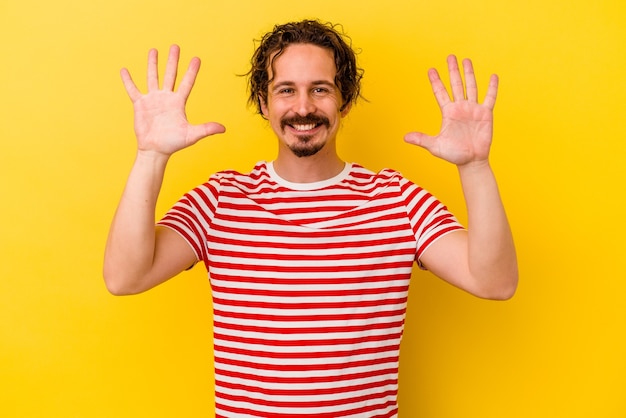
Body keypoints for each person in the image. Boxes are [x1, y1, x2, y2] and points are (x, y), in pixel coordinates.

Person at [104, 19, 517, 418]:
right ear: (264, 104)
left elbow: (494, 281)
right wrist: (151, 157)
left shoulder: (396, 200)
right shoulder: (220, 200)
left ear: (345, 100)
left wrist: (475, 167)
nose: (303, 107)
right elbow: (125, 277)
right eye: (286, 90)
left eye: (320, 89)